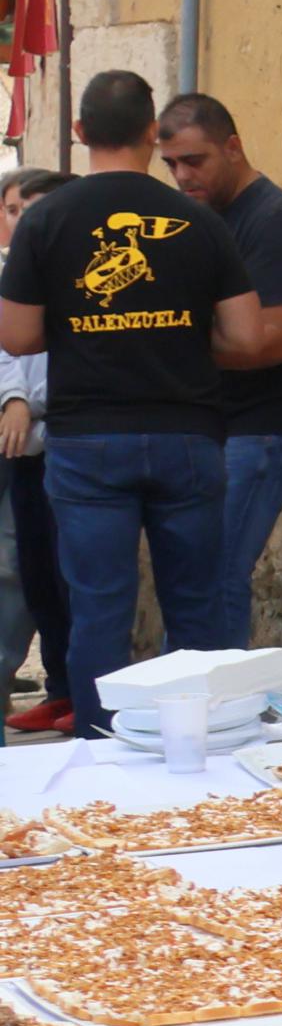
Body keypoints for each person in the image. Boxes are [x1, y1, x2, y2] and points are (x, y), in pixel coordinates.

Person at [0, 72, 282, 731]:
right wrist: (176, 336)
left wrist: (80, 328)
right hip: (187, 434)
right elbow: (246, 334)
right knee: (195, 606)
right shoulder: (199, 220)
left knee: (99, 605)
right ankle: (186, 746)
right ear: (153, 135)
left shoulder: (46, 217)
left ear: (79, 133)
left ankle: (102, 745)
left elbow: (15, 333)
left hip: (87, 438)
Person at [155, 93, 282, 642]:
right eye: (171, 164)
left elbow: (272, 342)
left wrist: (166, 345)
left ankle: (202, 714)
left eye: (195, 160)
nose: (183, 176)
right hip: (222, 425)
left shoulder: (275, 220)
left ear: (232, 147)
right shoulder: (200, 219)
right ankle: (184, 709)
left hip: (271, 425)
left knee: (211, 576)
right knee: (199, 575)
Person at [0, 168, 63, 733]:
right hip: (15, 434)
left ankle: (58, 687)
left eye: (36, 212)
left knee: (30, 568)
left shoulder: (72, 277)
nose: (24, 224)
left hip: (49, 442)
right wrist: (13, 396)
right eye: (16, 210)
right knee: (22, 563)